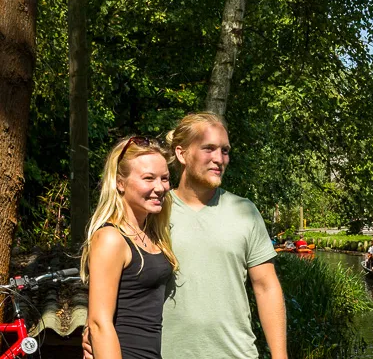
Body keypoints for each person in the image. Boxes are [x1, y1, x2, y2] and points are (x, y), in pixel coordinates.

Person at [84, 112, 288, 359]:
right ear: (181, 154)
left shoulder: (245, 212)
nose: (219, 158)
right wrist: (94, 328)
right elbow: (116, 284)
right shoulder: (153, 209)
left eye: (225, 150)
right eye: (208, 148)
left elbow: (266, 287)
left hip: (237, 353)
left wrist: (280, 356)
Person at [82, 136, 178, 359]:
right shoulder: (111, 238)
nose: (160, 187)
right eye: (148, 178)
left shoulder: (152, 233)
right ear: (120, 182)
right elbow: (99, 323)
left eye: (164, 178)